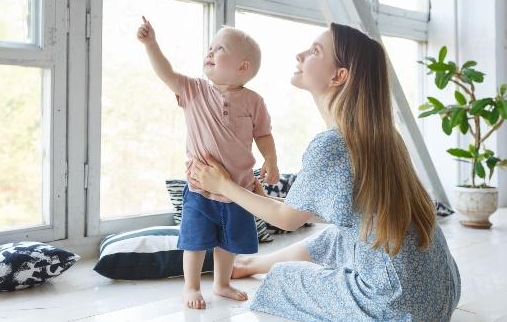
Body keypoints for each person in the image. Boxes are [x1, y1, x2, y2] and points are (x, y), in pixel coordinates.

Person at [189, 23, 461, 321]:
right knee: (337, 236)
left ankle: (259, 267)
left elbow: (287, 219)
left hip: (393, 305)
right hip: (441, 292)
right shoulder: (386, 137)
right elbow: (306, 212)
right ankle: (252, 264)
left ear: (338, 76)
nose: (300, 54)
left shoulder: (331, 143)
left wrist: (224, 186)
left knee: (282, 279)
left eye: (314, 51)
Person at [136, 17, 280, 310]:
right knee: (196, 241)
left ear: (243, 67)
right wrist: (151, 44)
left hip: (239, 190)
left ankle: (222, 283)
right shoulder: (194, 90)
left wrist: (271, 159)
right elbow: (166, 73)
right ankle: (190, 286)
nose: (210, 53)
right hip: (200, 188)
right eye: (209, 48)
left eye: (219, 49)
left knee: (228, 243)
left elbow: (263, 134)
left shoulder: (254, 101)